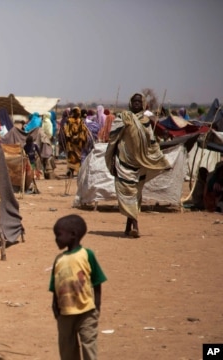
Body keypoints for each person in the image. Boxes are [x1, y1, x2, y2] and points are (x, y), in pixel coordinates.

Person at [105, 93, 170, 237]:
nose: (136, 104)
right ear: (130, 103)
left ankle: (131, 226)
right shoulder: (122, 118)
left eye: (139, 102)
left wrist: (160, 159)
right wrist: (112, 158)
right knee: (127, 193)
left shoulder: (146, 121)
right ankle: (134, 226)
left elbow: (151, 141)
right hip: (123, 162)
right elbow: (113, 138)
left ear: (143, 104)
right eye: (134, 101)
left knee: (136, 194)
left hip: (140, 163)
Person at [49, 214, 107, 360]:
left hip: (86, 312)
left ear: (73, 235)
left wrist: (97, 306)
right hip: (65, 314)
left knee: (89, 345)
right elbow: (55, 286)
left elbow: (97, 281)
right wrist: (55, 306)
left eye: (59, 235)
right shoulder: (59, 260)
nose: (56, 239)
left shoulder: (87, 255)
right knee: (67, 349)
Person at [63, 107, 90, 177]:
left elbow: (84, 131)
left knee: (78, 158)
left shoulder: (80, 122)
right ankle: (71, 171)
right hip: (71, 144)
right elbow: (66, 131)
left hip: (78, 143)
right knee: (72, 158)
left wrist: (79, 137)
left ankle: (79, 172)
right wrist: (70, 136)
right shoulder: (69, 121)